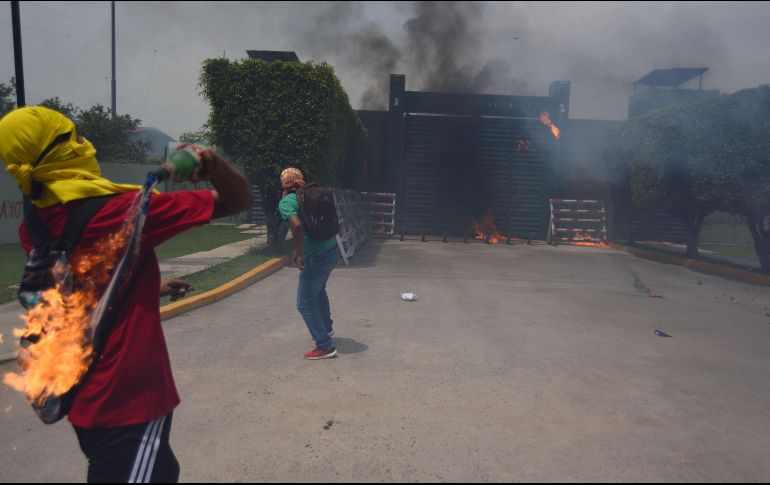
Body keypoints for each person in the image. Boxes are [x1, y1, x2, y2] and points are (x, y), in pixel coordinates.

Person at [0, 106, 253, 483]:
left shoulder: (34, 225)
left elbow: (80, 284)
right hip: (126, 402)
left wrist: (148, 286)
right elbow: (238, 201)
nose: (85, 141)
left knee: (161, 470)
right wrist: (212, 164)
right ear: (60, 151)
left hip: (81, 394)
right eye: (75, 136)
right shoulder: (121, 213)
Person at [278, 167, 340, 360]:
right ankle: (326, 328)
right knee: (319, 291)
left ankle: (325, 346)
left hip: (316, 256)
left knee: (304, 303)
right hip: (332, 249)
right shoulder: (309, 194)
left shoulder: (286, 202)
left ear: (284, 184)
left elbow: (296, 226)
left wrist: (299, 253)